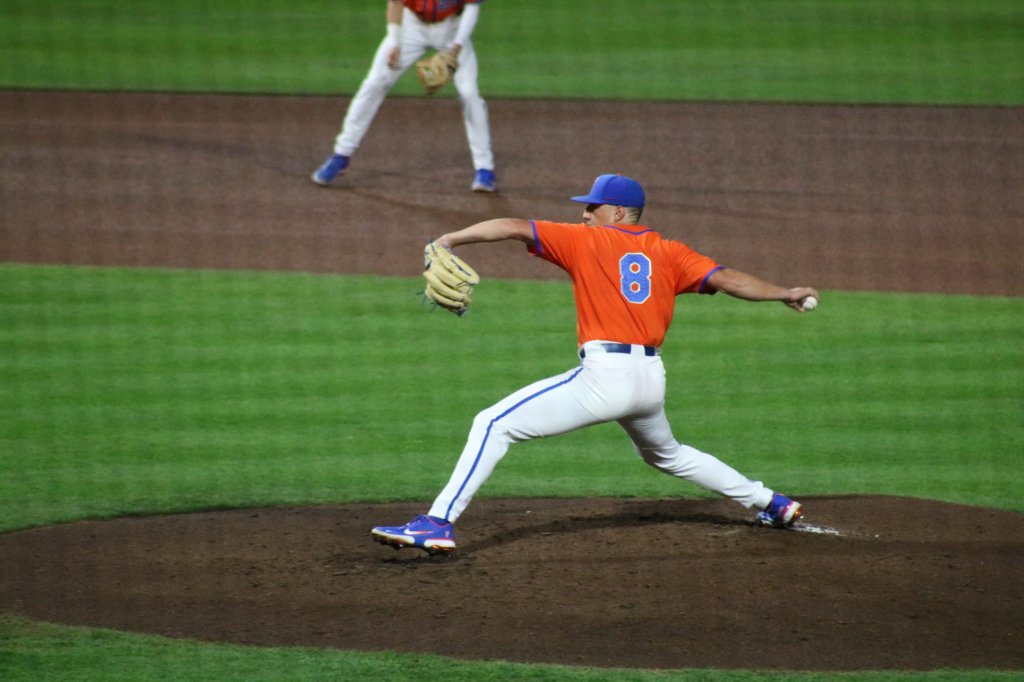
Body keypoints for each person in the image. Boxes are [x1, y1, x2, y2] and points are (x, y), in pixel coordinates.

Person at [372, 174, 819, 554]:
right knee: (669, 455)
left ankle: (437, 523)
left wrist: (448, 238)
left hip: (607, 378)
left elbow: (511, 226)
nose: (584, 214)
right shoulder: (671, 252)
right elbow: (727, 280)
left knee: (492, 423)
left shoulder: (586, 240)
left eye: (593, 207)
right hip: (650, 380)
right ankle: (771, 502)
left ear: (619, 213)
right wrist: (785, 292)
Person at [311, 0, 496, 192]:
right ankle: (341, 155)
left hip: (452, 30)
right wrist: (395, 41)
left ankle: (485, 169)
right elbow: (395, 4)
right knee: (375, 83)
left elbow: (472, 8)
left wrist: (456, 48)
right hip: (411, 27)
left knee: (469, 94)